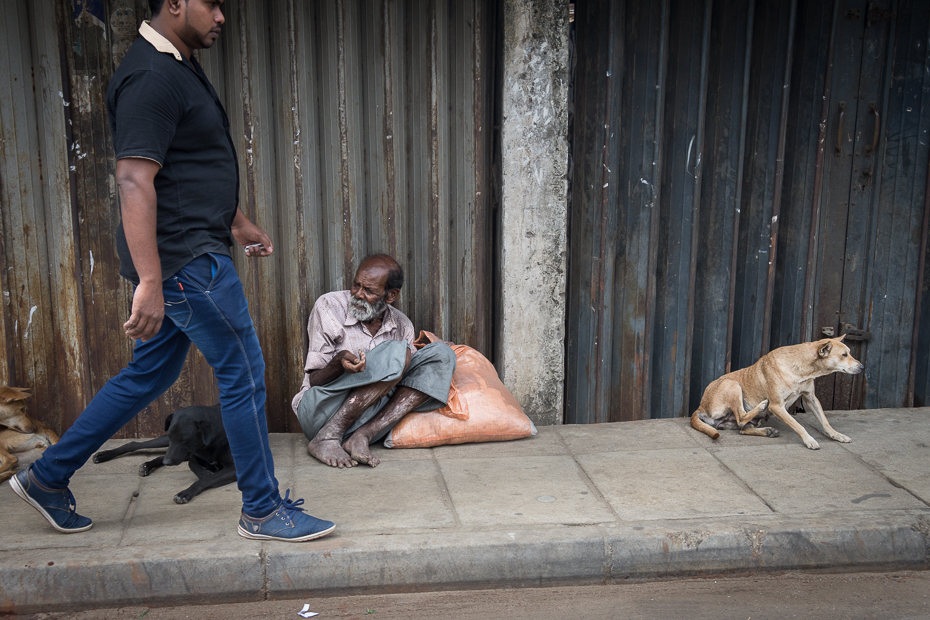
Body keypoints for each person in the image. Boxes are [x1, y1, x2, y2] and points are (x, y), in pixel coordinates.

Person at [9, 0, 334, 543]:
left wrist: (237, 220)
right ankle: (262, 508)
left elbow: (187, 165)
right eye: (212, 4)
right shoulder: (150, 76)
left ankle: (47, 477)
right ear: (175, 3)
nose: (222, 16)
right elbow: (136, 180)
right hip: (186, 262)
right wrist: (152, 282)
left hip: (190, 250)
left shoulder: (176, 62)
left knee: (148, 376)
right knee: (244, 375)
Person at [294, 254, 456, 468]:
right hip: (321, 411)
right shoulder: (329, 306)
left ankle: (362, 436)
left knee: (443, 354)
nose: (358, 295)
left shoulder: (402, 325)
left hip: (366, 418)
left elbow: (409, 382)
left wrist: (429, 352)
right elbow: (314, 380)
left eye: (369, 291)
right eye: (356, 285)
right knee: (399, 351)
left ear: (391, 296)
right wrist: (338, 362)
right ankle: (327, 436)